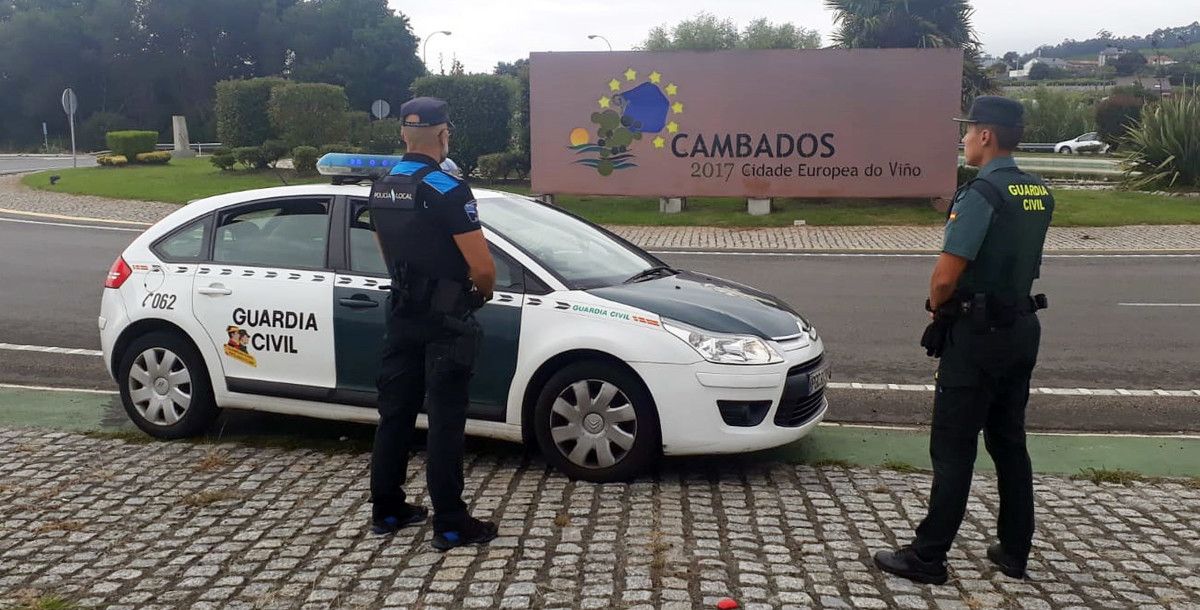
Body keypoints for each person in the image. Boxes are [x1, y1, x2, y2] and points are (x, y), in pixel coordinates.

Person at [874, 96, 1054, 584]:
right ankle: (1014, 551)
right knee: (1009, 441)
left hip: (977, 336)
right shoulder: (1038, 191)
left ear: (987, 136)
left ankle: (928, 557)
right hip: (1021, 327)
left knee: (953, 449)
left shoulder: (982, 193)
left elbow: (945, 277)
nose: (965, 138)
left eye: (969, 130)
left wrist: (937, 308)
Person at [367, 96, 498, 551]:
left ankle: (386, 509)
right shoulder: (447, 189)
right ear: (444, 135)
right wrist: (481, 293)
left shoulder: (382, 187)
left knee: (395, 414)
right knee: (444, 421)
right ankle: (449, 523)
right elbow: (481, 266)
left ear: (402, 133)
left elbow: (387, 254)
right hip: (446, 319)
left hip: (401, 311)